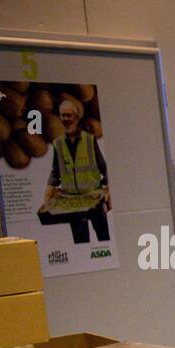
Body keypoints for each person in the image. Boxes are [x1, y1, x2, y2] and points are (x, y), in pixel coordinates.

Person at [42, 97, 111, 245]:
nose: (66, 119)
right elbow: (56, 171)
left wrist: (108, 189)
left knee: (103, 236)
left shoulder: (89, 139)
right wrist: (48, 191)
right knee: (80, 241)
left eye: (69, 115)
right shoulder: (58, 143)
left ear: (76, 117)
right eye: (63, 115)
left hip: (93, 197)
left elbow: (103, 167)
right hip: (72, 201)